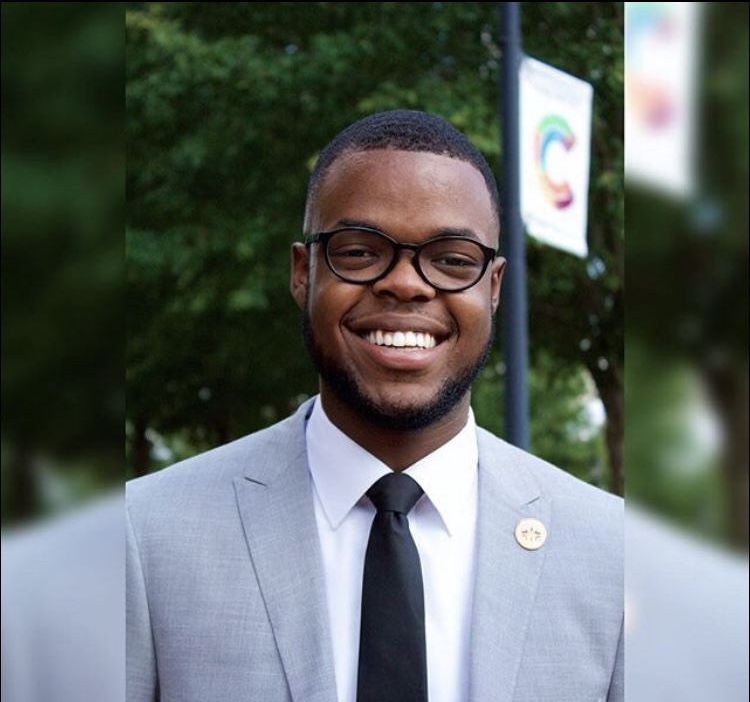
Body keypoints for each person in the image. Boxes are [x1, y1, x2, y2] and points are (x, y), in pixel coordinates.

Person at [126, 109, 623, 702]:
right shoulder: (143, 535)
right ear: (303, 273)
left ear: (493, 287)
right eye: (360, 252)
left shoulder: (616, 554)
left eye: (452, 259)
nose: (406, 284)